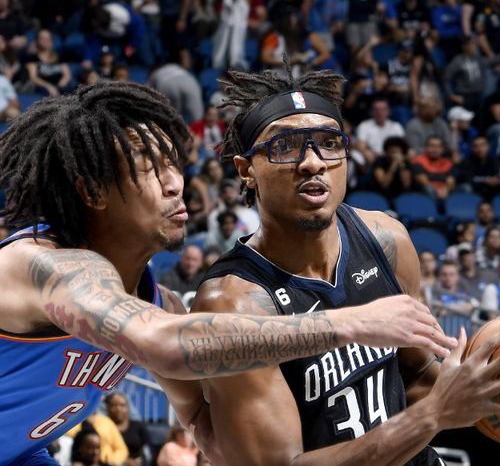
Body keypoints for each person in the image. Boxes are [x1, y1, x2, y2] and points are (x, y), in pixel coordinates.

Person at [0, 81, 456, 465]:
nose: (175, 182)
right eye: (149, 168)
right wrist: (350, 323)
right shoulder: (45, 265)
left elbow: (204, 425)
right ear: (93, 191)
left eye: (173, 163)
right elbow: (165, 344)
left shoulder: (162, 305)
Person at [191, 67, 500, 464]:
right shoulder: (233, 304)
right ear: (245, 170)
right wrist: (434, 413)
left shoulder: (386, 240)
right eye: (285, 146)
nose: (313, 162)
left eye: (328, 144)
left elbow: (417, 375)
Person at [104, 392, 151, 466]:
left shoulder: (138, 426)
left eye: (122, 405)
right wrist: (125, 461)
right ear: (107, 408)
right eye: (114, 405)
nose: (118, 408)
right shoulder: (103, 427)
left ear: (128, 407)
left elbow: (147, 450)